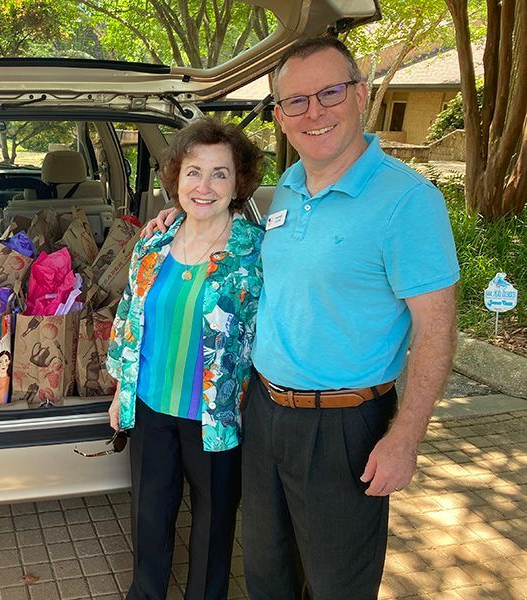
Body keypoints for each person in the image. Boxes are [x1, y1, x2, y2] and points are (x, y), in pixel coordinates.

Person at [144, 37, 459, 600]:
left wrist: (406, 438)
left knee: (337, 582)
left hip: (343, 426)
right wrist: (178, 218)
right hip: (264, 412)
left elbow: (437, 330)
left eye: (329, 92)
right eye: (296, 101)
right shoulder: (288, 187)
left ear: (360, 95)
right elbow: (232, 240)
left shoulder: (408, 201)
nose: (314, 112)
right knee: (266, 571)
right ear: (280, 116)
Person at [106, 117, 265, 600]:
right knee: (149, 517)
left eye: (220, 173)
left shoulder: (256, 252)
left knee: (214, 527)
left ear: (238, 183)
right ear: (176, 178)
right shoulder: (153, 242)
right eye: (193, 172)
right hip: (150, 408)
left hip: (215, 417)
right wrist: (120, 393)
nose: (204, 186)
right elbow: (129, 318)